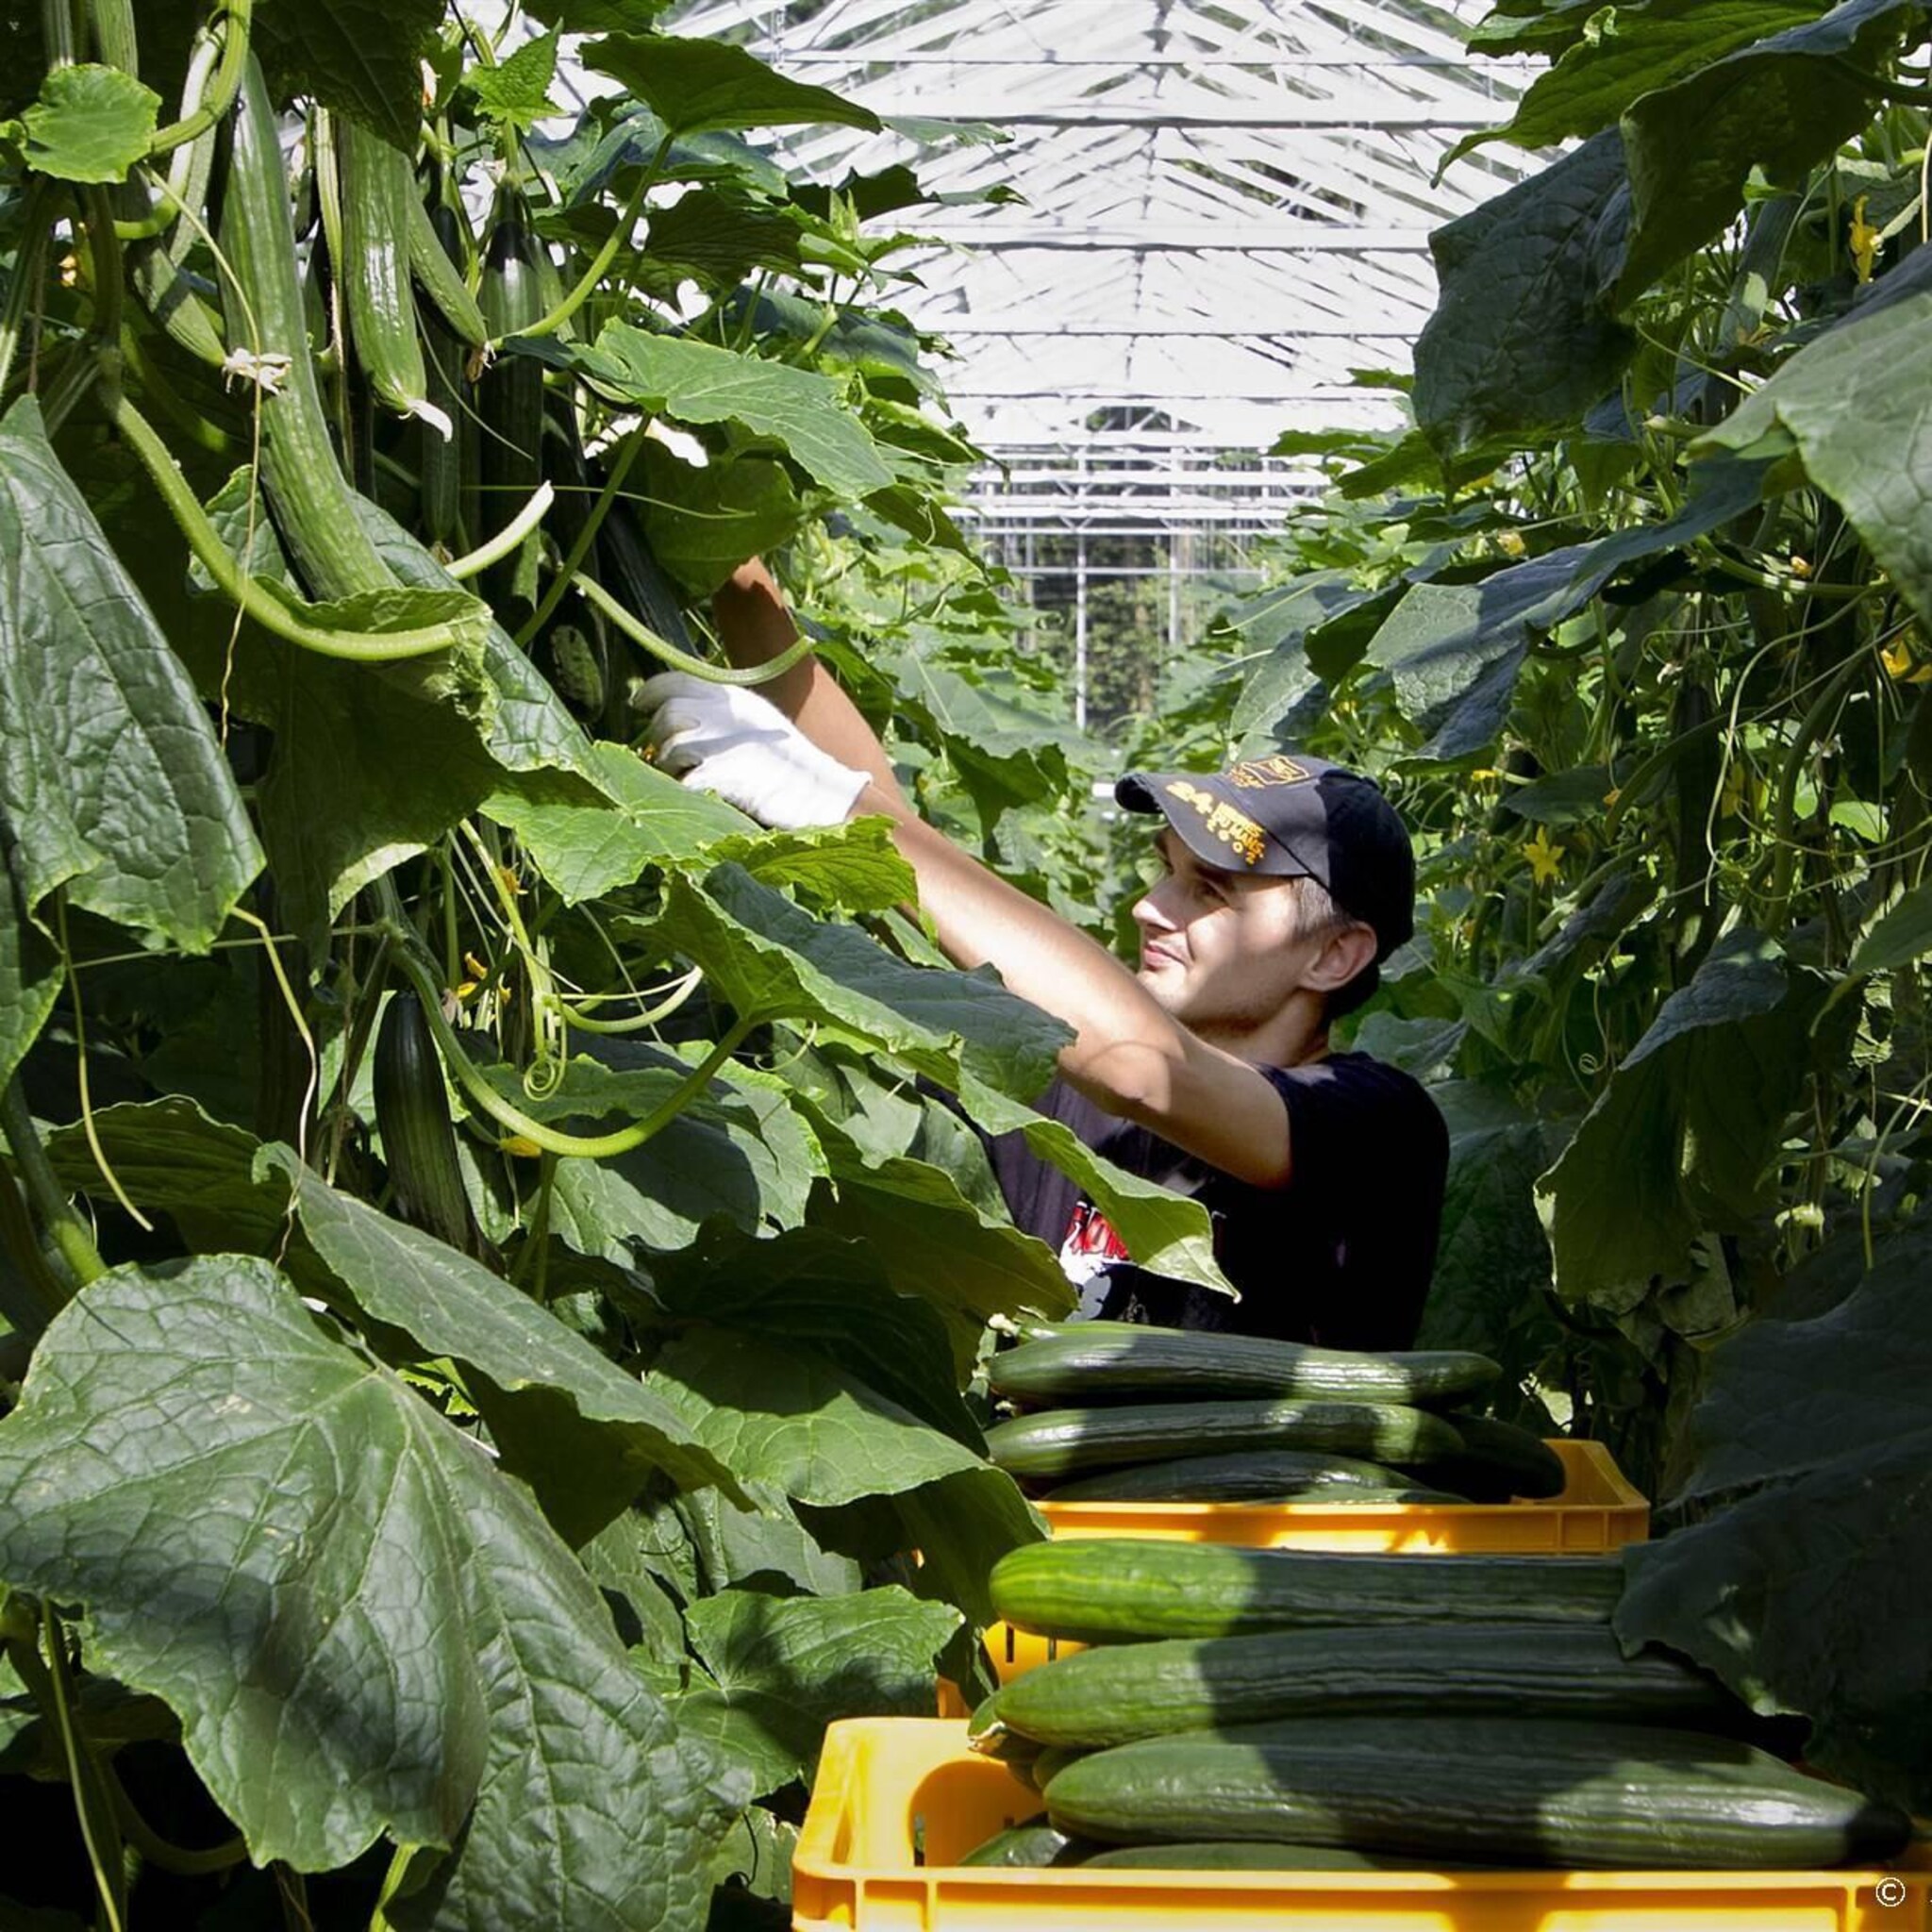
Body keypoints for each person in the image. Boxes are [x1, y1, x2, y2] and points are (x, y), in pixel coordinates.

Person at [636, 559, 1449, 1350]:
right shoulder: (1070, 1104)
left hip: (1257, 1494)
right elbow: (917, 882)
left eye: (1211, 891)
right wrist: (732, 572)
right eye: (1164, 872)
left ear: (1336, 955)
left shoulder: (1376, 1123)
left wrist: (837, 807)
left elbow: (1143, 1067)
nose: (1148, 908)